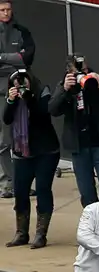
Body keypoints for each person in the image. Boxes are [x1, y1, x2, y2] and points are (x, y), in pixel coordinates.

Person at [48, 53, 99, 207]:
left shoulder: (94, 80)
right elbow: (53, 109)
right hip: (79, 146)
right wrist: (64, 89)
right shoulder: (66, 85)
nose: (81, 72)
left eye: (83, 67)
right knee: (87, 193)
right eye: (77, 70)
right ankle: (94, 227)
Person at [4, 69, 60, 249]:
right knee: (20, 191)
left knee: (43, 189)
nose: (20, 85)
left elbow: (43, 115)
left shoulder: (43, 91)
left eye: (23, 81)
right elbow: (6, 119)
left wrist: (29, 97)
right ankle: (21, 233)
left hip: (46, 151)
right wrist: (11, 101)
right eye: (16, 83)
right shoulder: (13, 97)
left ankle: (41, 234)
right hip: (23, 152)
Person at [0, 1, 34, 199]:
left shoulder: (22, 31)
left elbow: (27, 58)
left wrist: (4, 59)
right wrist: (14, 60)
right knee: (4, 140)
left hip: (21, 90)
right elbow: (19, 60)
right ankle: (7, 183)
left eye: (8, 9)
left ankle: (23, 182)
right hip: (2, 94)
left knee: (23, 137)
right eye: (2, 10)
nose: (5, 13)